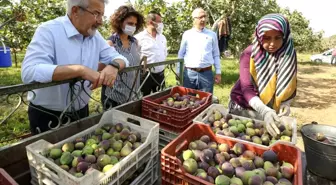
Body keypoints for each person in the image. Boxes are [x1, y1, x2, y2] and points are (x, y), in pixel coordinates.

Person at [21, 0, 129, 134]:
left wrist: (113, 66)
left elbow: (121, 58)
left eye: (102, 15)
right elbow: (29, 72)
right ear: (75, 11)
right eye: (96, 14)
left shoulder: (95, 37)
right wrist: (79, 70)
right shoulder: (48, 30)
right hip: (47, 116)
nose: (100, 21)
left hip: (81, 111)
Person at [229, 13, 297, 137]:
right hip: (244, 106)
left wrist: (285, 103)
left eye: (277, 38)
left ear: (285, 36)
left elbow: (288, 82)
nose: (272, 43)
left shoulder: (288, 54)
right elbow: (247, 88)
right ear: (259, 36)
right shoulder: (249, 54)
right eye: (266, 38)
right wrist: (264, 111)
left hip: (270, 110)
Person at [101, 5, 144, 110]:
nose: (133, 27)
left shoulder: (135, 42)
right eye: (130, 23)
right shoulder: (111, 43)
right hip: (114, 97)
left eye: (135, 24)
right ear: (119, 23)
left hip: (133, 95)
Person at [177, 8, 222, 94]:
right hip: (189, 73)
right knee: (187, 100)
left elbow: (216, 54)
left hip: (206, 73)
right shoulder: (187, 34)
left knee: (206, 101)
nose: (204, 19)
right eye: (200, 17)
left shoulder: (212, 35)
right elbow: (181, 54)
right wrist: (178, 71)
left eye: (205, 17)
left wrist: (218, 72)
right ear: (194, 19)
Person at [134, 10, 168, 96]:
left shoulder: (162, 37)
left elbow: (164, 53)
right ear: (150, 22)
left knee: (161, 98)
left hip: (160, 75)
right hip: (145, 76)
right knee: (144, 100)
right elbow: (135, 56)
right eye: (159, 22)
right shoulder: (139, 38)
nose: (161, 24)